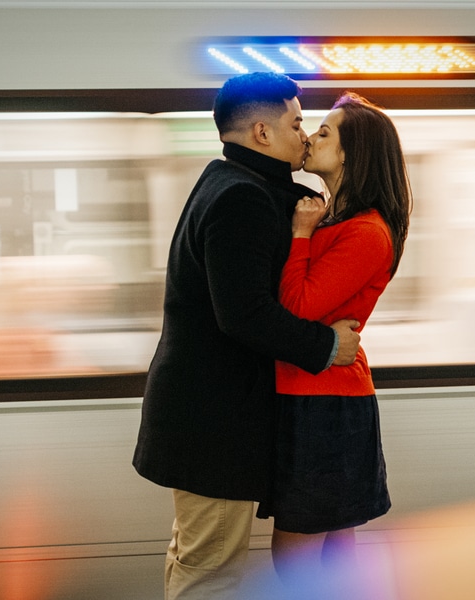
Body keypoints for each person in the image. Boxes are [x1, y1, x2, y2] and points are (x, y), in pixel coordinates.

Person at [132, 72, 362, 600]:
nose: (304, 135)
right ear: (262, 132)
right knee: (209, 571)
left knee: (197, 558)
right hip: (214, 425)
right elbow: (244, 314)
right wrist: (327, 347)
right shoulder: (242, 197)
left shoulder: (235, 183)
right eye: (296, 123)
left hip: (209, 419)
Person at [255, 92, 413, 585]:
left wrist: (301, 233)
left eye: (323, 132)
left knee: (297, 557)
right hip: (313, 395)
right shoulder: (334, 218)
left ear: (351, 153)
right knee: (331, 553)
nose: (309, 137)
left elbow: (297, 307)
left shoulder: (366, 233)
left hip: (326, 403)